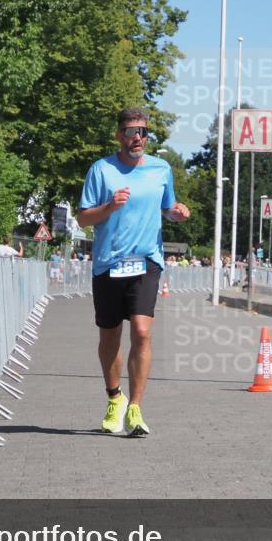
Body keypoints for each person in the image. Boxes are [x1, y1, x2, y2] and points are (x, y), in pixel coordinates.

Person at [76, 107, 190, 437]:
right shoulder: (101, 170)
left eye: (142, 131)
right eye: (130, 131)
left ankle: (136, 408)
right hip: (109, 262)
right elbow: (84, 219)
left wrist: (178, 213)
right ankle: (115, 398)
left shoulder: (161, 169)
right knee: (109, 334)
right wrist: (109, 207)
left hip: (146, 261)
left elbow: (168, 208)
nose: (137, 137)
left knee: (141, 331)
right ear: (119, 135)